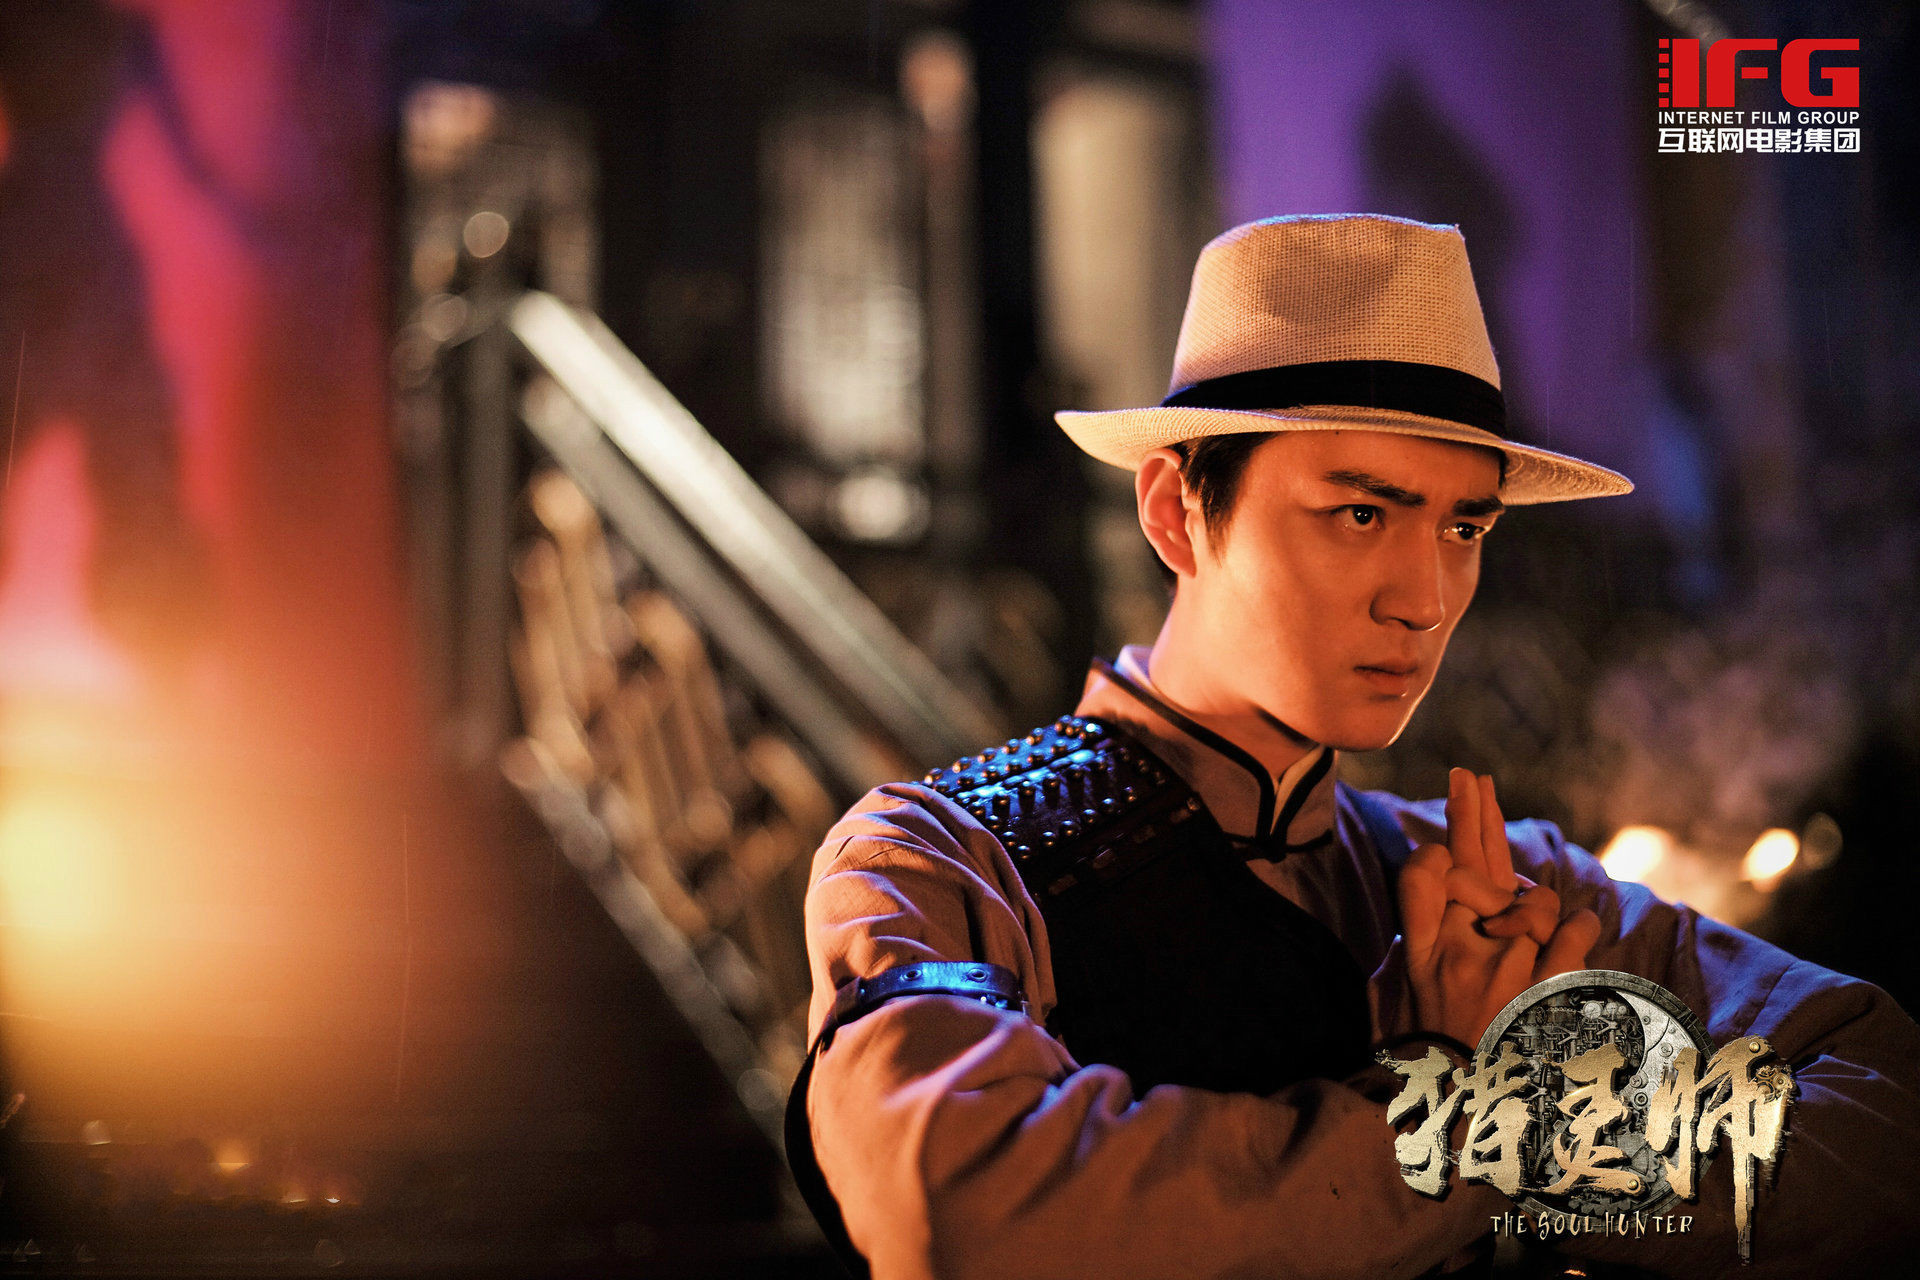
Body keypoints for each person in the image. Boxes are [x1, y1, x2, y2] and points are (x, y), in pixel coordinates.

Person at [785, 214, 1920, 1279]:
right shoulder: (945, 859)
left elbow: (1886, 1116)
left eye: (1464, 525)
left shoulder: (1503, 890)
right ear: (1177, 510)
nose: (1425, 599)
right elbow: (959, 1203)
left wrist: (1524, 1117)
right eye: (1361, 513)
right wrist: (1460, 1119)